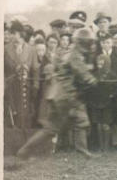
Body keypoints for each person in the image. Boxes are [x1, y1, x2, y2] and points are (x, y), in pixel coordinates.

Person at [16, 28, 101, 159]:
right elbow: (84, 75)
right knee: (51, 129)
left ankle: (83, 151)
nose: (92, 45)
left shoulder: (70, 52)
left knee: (82, 121)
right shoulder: (75, 55)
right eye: (90, 42)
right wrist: (94, 80)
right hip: (65, 96)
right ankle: (24, 151)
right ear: (84, 42)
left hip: (66, 95)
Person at [4, 21, 36, 129]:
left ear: (20, 34)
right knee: (12, 117)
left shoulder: (31, 50)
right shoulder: (5, 49)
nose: (12, 36)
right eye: (11, 33)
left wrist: (35, 86)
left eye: (14, 33)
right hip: (10, 89)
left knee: (24, 117)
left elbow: (35, 70)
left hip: (25, 89)